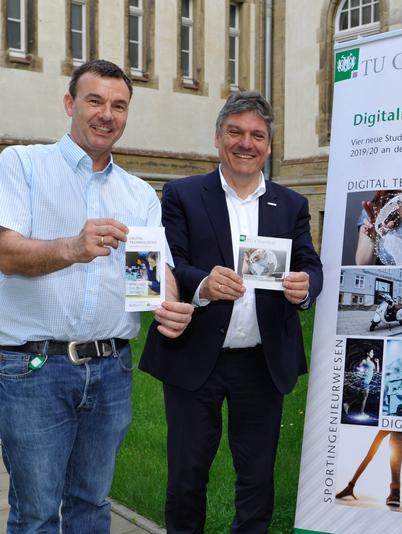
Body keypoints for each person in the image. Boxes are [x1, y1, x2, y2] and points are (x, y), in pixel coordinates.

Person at [0, 59, 193, 534]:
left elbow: (156, 270)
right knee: (37, 512)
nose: (107, 113)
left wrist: (170, 306)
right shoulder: (22, 164)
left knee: (92, 504)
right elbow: (5, 251)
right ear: (70, 104)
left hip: (111, 370)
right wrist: (73, 247)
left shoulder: (140, 193)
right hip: (34, 369)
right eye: (95, 101)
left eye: (119, 105)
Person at [139, 90, 323, 533]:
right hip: (195, 356)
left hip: (261, 362)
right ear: (218, 137)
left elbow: (310, 266)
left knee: (257, 481)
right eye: (235, 132)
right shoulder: (183, 194)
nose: (246, 143)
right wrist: (202, 283)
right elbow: (171, 259)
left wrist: (306, 287)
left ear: (270, 145)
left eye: (257, 135)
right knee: (186, 478)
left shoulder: (292, 204)